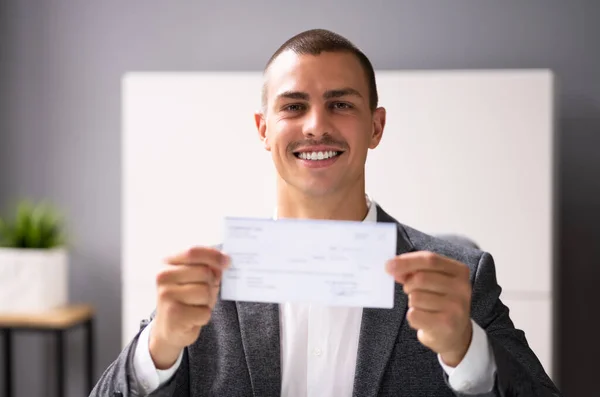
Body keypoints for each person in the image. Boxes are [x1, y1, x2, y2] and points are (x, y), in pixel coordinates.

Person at [91, 29, 561, 397]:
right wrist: (156, 351)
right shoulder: (203, 283)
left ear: (376, 126)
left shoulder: (461, 275)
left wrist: (467, 352)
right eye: (294, 106)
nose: (317, 125)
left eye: (340, 104)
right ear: (263, 128)